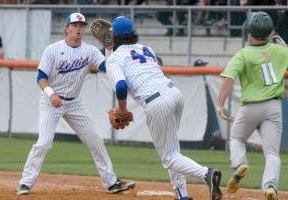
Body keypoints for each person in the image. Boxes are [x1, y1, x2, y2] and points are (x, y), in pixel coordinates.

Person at [16, 12, 135, 195]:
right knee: (44, 143)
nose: (79, 29)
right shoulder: (52, 50)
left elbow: (109, 68)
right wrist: (50, 94)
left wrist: (109, 48)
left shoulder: (89, 51)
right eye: (75, 25)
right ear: (67, 29)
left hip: (74, 103)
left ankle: (111, 182)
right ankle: (25, 183)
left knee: (95, 141)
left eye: (81, 26)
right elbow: (41, 78)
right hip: (51, 102)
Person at [106, 16, 222, 200]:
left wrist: (122, 110)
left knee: (169, 157)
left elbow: (120, 85)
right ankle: (182, 195)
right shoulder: (146, 49)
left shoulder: (115, 58)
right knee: (173, 150)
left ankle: (207, 173)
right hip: (174, 94)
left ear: (115, 37)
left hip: (157, 103)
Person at [217, 11, 285, 200]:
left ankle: (239, 163)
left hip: (250, 107)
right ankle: (270, 187)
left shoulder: (243, 54)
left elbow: (228, 80)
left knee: (237, 139)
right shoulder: (280, 50)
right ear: (271, 31)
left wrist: (220, 105)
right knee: (272, 153)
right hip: (273, 106)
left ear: (249, 31)